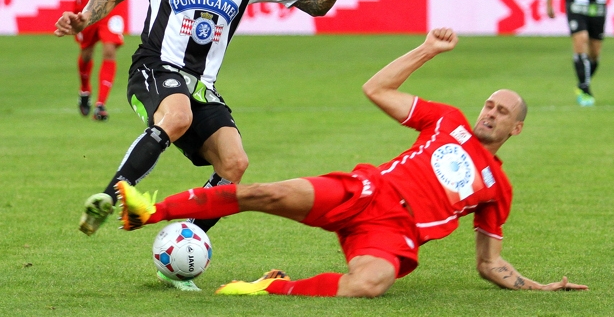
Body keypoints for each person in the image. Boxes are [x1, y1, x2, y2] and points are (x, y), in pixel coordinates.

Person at [116, 27, 588, 297]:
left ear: (516, 129)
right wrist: (426, 50)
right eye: (489, 104)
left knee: (369, 286)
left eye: (502, 112)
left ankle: (267, 288)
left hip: (395, 234)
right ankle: (149, 211)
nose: (489, 113)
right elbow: (377, 89)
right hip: (367, 189)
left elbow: (491, 263)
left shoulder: (497, 189)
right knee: (266, 193)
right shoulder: (448, 121)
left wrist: (540, 288)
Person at [54, 0, 350, 290]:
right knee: (177, 113)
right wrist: (83, 17)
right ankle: (111, 197)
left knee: (234, 164)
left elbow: (313, 4)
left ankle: (182, 246)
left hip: (202, 86)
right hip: (155, 68)